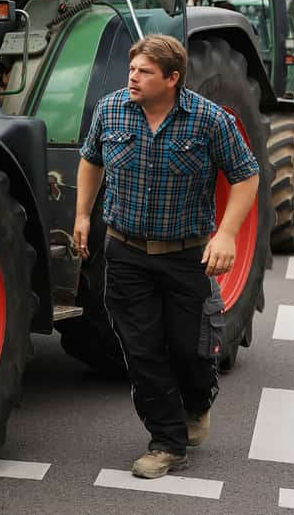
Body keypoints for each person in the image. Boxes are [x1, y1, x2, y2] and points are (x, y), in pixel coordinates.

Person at [73, 34, 259, 480]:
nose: (133, 78)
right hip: (125, 252)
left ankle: (196, 403)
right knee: (142, 352)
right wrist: (81, 214)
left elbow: (246, 175)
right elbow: (90, 159)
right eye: (132, 70)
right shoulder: (111, 109)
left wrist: (227, 234)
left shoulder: (208, 120)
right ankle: (167, 442)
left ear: (173, 79)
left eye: (145, 72)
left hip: (186, 257)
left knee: (189, 350)